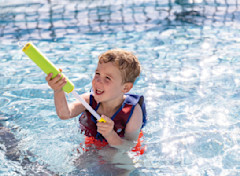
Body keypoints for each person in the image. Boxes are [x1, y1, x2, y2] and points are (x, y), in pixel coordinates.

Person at [45, 49, 147, 151]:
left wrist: (110, 135)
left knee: (119, 161)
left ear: (125, 88)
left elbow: (129, 146)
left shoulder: (133, 111)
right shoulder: (88, 100)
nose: (98, 81)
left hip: (120, 150)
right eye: (97, 73)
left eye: (107, 78)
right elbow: (65, 114)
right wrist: (58, 90)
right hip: (93, 145)